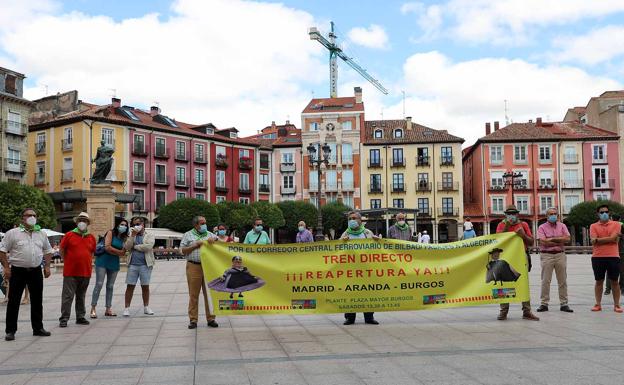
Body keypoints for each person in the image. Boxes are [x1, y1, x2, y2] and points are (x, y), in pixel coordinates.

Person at [0, 208, 53, 341]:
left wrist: (47, 266)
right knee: (14, 300)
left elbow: (48, 250)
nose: (32, 217)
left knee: (37, 300)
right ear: (22, 218)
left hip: (35, 271)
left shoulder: (41, 233)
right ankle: (10, 331)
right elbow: (2, 250)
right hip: (18, 271)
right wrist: (6, 267)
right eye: (29, 215)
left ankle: (38, 328)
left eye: (34, 215)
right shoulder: (12, 233)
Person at [495, 205, 539, 321]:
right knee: (504, 284)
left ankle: (527, 311)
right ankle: (503, 311)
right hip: (506, 257)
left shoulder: (523, 225)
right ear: (505, 215)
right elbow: (498, 242)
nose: (511, 216)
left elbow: (531, 242)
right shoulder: (501, 225)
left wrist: (523, 235)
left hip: (521, 256)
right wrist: (507, 228)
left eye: (514, 213)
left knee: (523, 282)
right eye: (509, 213)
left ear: (517, 214)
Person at [340, 211, 381, 325]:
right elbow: (337, 250)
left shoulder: (367, 233)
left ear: (360, 220)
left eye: (354, 218)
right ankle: (350, 317)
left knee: (368, 292)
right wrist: (342, 243)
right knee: (350, 293)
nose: (352, 220)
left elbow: (375, 249)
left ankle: (369, 317)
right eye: (350, 218)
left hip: (366, 269)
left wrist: (378, 242)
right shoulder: (345, 234)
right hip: (350, 269)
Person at [58, 212, 97, 327]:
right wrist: (67, 261)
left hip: (85, 271)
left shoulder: (91, 237)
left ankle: (80, 317)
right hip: (70, 271)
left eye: (84, 221)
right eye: (80, 220)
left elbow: (92, 252)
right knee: (67, 296)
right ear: (76, 222)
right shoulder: (69, 235)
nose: (82, 223)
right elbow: (62, 249)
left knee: (81, 295)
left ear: (88, 223)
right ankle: (64, 318)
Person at [180, 216, 219, 329]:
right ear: (196, 225)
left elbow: (221, 245)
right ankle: (193, 320)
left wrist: (215, 241)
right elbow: (182, 250)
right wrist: (194, 245)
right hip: (193, 266)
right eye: (202, 223)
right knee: (193, 294)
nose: (204, 225)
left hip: (209, 267)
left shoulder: (211, 234)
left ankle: (211, 318)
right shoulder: (188, 235)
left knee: (209, 294)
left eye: (205, 223)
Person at [536, 208, 572, 313]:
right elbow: (543, 242)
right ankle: (544, 303)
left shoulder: (562, 226)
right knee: (545, 280)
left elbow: (568, 239)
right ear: (546, 216)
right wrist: (559, 240)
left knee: (562, 280)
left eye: (555, 214)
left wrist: (551, 239)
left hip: (560, 255)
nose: (553, 215)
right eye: (551, 214)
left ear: (558, 215)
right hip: (547, 255)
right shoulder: (542, 227)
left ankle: (564, 303)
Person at [91, 219, 129, 318]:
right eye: (122, 224)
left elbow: (124, 252)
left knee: (110, 286)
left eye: (125, 225)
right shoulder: (110, 232)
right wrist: (118, 252)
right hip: (102, 261)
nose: (123, 226)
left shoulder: (124, 237)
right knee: (99, 284)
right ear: (117, 225)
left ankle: (108, 308)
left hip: (114, 263)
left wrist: (115, 251)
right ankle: (93, 308)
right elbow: (107, 247)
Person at [589, 204, 623, 313]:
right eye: (602, 212)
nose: (604, 214)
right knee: (599, 281)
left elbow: (614, 239)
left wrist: (598, 240)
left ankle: (617, 305)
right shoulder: (593, 226)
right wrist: (608, 239)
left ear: (609, 213)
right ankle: (597, 304)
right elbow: (593, 240)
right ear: (597, 214)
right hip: (597, 257)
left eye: (606, 212)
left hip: (613, 256)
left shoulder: (617, 224)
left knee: (614, 281)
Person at [123, 217, 156, 317]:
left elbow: (148, 247)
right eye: (134, 224)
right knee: (130, 286)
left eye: (138, 223)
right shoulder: (131, 234)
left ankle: (146, 307)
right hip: (132, 264)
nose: (136, 226)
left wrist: (136, 247)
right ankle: (126, 308)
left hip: (145, 264)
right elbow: (127, 247)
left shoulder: (149, 234)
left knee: (145, 286)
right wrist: (132, 236)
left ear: (143, 224)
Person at [604, 213, 624, 295]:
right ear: (619, 219)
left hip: (612, 252)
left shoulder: (608, 226)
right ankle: (622, 288)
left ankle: (608, 289)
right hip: (620, 252)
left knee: (609, 271)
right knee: (622, 271)